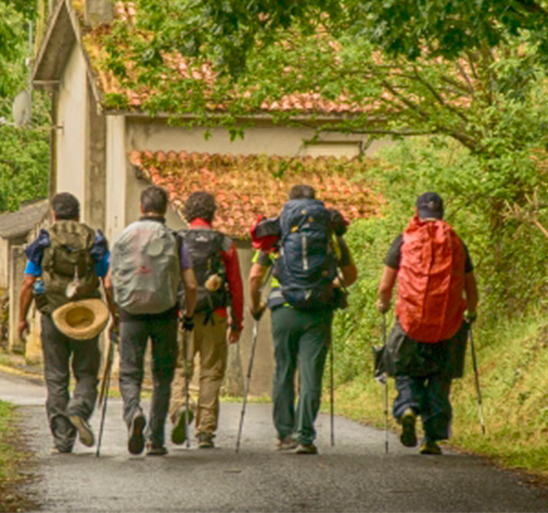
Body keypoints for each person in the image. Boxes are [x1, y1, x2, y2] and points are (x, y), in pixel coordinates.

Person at [248, 184, 358, 455]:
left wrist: (255, 306)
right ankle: (305, 436)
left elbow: (254, 277)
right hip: (318, 310)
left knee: (284, 369)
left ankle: (285, 435)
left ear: (289, 204)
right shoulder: (330, 234)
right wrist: (333, 283)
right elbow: (351, 275)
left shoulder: (278, 231)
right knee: (311, 373)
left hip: (283, 308)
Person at [376, 191, 480, 455]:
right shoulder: (456, 243)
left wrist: (383, 305)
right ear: (441, 212)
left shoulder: (403, 240)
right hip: (447, 325)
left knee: (405, 373)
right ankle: (431, 440)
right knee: (439, 380)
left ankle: (408, 408)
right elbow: (471, 287)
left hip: (410, 323)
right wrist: (472, 311)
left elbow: (385, 286)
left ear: (417, 211)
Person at [17, 192, 111, 454]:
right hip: (86, 316)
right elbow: (107, 279)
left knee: (56, 378)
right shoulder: (93, 239)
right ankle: (79, 408)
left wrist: (21, 319)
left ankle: (62, 440)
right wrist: (114, 314)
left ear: (54, 215)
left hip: (53, 316)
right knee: (86, 373)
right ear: (78, 215)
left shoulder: (45, 240)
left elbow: (27, 283)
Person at [108, 185, 199, 456]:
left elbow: (109, 281)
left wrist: (115, 313)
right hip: (165, 314)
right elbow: (191, 285)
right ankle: (155, 439)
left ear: (141, 207)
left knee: (129, 373)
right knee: (162, 376)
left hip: (130, 314)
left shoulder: (124, 237)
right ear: (166, 208)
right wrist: (189, 315)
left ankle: (134, 413)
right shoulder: (175, 239)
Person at [168, 191, 244, 449]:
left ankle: (179, 408)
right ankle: (205, 431)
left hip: (182, 313)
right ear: (213, 213)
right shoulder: (224, 243)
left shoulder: (177, 240)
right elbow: (235, 285)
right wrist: (237, 323)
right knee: (211, 372)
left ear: (188, 213)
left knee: (181, 367)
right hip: (216, 314)